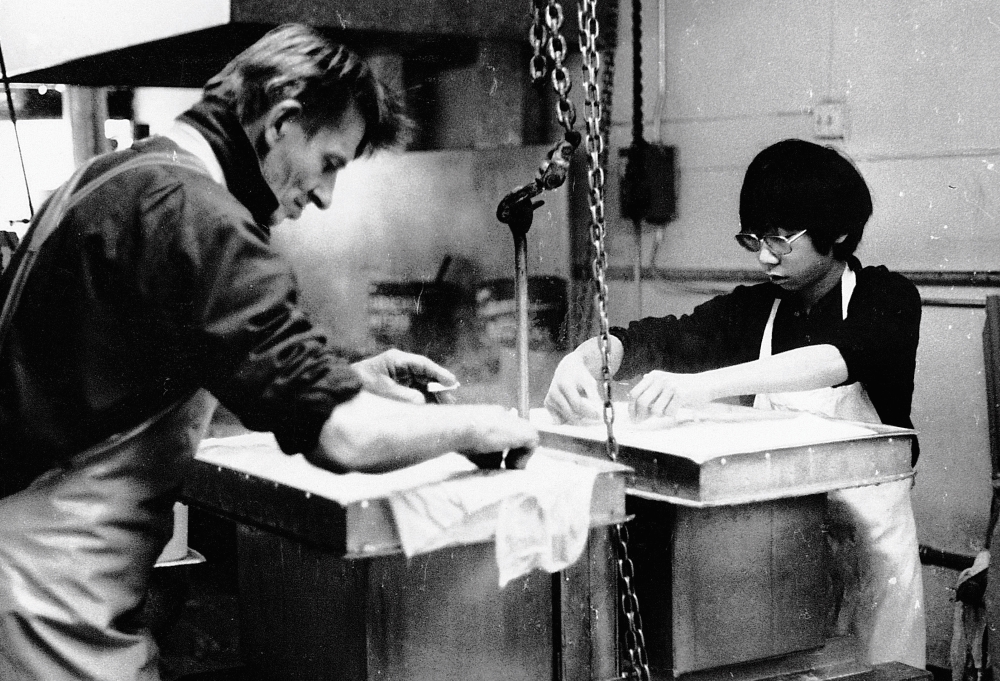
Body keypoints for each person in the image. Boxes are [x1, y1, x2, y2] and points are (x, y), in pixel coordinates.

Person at [0, 23, 537, 681]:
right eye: (330, 164)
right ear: (281, 122)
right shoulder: (196, 212)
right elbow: (342, 440)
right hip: (47, 606)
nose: (323, 196)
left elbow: (152, 374)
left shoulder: (123, 174)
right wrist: (485, 424)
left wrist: (341, 377)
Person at [545, 138, 925, 668]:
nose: (766, 257)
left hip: (872, 547)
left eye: (780, 240)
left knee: (879, 670)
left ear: (837, 231)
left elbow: (836, 358)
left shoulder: (889, 298)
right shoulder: (755, 310)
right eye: (754, 239)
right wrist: (587, 356)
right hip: (789, 542)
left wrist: (701, 385)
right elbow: (660, 336)